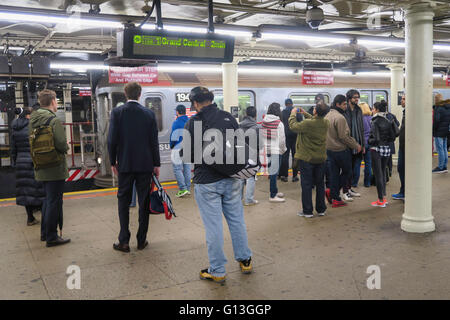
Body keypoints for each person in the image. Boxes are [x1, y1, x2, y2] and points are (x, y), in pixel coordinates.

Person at [184, 86, 252, 283]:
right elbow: (240, 145)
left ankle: (218, 271)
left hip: (207, 182)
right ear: (211, 99)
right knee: (237, 220)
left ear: (195, 103)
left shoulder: (193, 122)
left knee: (213, 227)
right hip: (231, 178)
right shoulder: (228, 117)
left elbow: (189, 155)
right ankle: (245, 260)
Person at [108, 82, 160, 253]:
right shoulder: (149, 114)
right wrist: (156, 163)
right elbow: (154, 141)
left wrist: (112, 161)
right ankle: (141, 240)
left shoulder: (117, 112)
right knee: (144, 202)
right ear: (140, 94)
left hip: (124, 164)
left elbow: (112, 140)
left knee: (123, 202)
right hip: (145, 165)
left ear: (125, 94)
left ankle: (123, 241)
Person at [30, 89, 70, 247]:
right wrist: (65, 146)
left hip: (40, 164)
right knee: (54, 201)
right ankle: (52, 237)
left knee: (47, 200)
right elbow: (60, 144)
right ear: (53, 101)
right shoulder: (53, 120)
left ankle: (45, 233)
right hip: (55, 167)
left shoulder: (33, 119)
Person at [289, 102, 330, 218]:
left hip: (307, 158)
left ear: (315, 111)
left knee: (306, 185)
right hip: (321, 158)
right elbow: (315, 120)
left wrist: (293, 114)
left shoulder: (308, 124)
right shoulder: (326, 122)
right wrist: (304, 113)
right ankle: (321, 209)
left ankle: (307, 211)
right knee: (320, 184)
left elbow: (293, 126)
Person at [325, 94, 361, 208]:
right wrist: (356, 145)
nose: (346, 106)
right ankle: (333, 193)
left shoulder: (327, 116)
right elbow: (343, 136)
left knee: (334, 175)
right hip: (341, 151)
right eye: (344, 104)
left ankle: (335, 198)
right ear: (338, 104)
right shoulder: (340, 118)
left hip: (329, 150)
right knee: (347, 172)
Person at [11, 106, 45, 226]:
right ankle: (44, 214)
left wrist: (15, 162)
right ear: (28, 115)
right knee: (38, 189)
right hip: (33, 161)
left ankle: (30, 218)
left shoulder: (15, 127)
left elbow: (13, 148)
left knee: (25, 191)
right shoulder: (33, 127)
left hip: (21, 162)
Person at [368, 101, 399, 207]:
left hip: (376, 149)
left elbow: (375, 138)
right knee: (382, 172)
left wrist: (369, 141)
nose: (372, 110)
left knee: (378, 175)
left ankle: (380, 200)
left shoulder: (375, 121)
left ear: (376, 109)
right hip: (386, 148)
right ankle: (383, 198)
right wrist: (386, 140)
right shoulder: (388, 119)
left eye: (373, 108)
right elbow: (395, 134)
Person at [262, 102, 287, 202]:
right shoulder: (279, 123)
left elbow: (264, 137)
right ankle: (272, 196)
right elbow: (281, 140)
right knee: (274, 173)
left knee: (272, 172)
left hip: (268, 149)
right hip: (276, 150)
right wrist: (283, 149)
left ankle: (275, 191)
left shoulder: (264, 121)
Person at [344, 89, 365, 200]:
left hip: (358, 144)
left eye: (358, 97)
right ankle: (345, 191)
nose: (356, 99)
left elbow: (361, 128)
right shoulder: (345, 110)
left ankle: (349, 189)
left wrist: (363, 144)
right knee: (346, 170)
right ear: (349, 98)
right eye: (354, 97)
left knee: (352, 169)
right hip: (347, 144)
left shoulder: (358, 110)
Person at [239, 106, 260, 206]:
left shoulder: (239, 126)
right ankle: (249, 200)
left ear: (246, 114)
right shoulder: (256, 127)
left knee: (240, 176)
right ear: (255, 115)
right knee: (251, 176)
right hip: (252, 154)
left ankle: (238, 199)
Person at [170, 104, 191, 197]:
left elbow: (173, 137)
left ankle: (182, 189)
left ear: (177, 112)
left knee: (177, 169)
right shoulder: (190, 121)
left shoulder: (176, 122)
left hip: (178, 148)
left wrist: (172, 146)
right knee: (187, 169)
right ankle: (188, 188)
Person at [279, 98, 300, 182]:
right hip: (295, 137)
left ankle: (284, 175)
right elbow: (300, 123)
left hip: (286, 136)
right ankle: (294, 176)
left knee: (285, 156)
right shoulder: (296, 112)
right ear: (292, 104)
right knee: (295, 156)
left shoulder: (282, 113)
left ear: (285, 104)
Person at [392, 95, 406, 200]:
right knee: (401, 169)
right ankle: (403, 191)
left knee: (403, 169)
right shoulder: (405, 112)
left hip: (407, 147)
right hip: (403, 146)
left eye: (404, 99)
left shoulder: (411, 113)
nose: (401, 100)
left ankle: (405, 192)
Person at [432, 95, 450, 173]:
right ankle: (444, 166)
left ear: (436, 99)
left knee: (440, 150)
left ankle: (440, 167)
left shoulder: (438, 108)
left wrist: (433, 129)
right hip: (445, 131)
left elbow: (437, 120)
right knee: (444, 149)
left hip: (439, 132)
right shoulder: (447, 108)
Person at [384, 101, 400, 180]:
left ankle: (385, 172)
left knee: (383, 157)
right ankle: (389, 171)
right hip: (390, 140)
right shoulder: (392, 116)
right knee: (389, 157)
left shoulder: (379, 117)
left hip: (383, 140)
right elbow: (397, 124)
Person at [359, 102, 373, 187]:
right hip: (370, 143)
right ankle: (367, 183)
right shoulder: (372, 118)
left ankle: (354, 182)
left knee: (357, 163)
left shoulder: (360, 119)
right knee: (368, 163)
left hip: (362, 143)